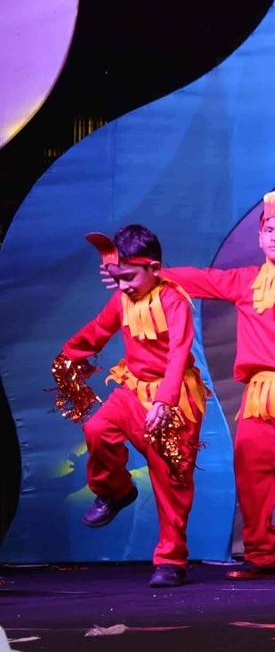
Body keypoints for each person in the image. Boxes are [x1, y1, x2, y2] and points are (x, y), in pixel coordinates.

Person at [163, 190, 275, 580]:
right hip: (257, 393)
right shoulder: (244, 281)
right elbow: (202, 280)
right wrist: (152, 274)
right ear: (260, 236)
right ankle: (261, 555)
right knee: (251, 471)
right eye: (270, 230)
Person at [62, 225, 209, 587]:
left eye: (128, 277)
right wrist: (68, 356)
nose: (123, 285)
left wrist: (165, 400)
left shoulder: (174, 300)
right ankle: (116, 491)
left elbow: (178, 353)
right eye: (117, 278)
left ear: (154, 269)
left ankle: (171, 560)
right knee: (97, 429)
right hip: (133, 391)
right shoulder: (122, 299)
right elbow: (98, 330)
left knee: (171, 478)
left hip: (174, 400)